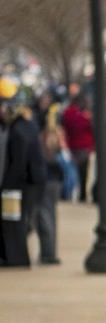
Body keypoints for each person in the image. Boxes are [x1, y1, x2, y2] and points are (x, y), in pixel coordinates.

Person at [1, 100, 47, 268]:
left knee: (14, 220)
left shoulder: (17, 132)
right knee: (23, 218)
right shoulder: (29, 126)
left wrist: (7, 185)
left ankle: (16, 257)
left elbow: (17, 163)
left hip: (22, 183)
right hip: (34, 180)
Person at [33, 104, 63, 264]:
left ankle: (48, 253)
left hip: (48, 179)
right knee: (49, 215)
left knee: (44, 216)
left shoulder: (44, 136)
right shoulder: (57, 134)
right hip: (55, 179)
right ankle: (48, 252)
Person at [61, 93, 93, 202]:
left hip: (71, 146)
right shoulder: (83, 116)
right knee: (83, 173)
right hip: (84, 147)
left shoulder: (67, 114)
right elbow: (89, 126)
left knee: (71, 172)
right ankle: (82, 195)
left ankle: (69, 193)